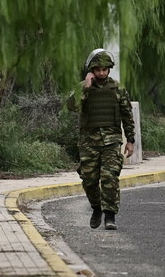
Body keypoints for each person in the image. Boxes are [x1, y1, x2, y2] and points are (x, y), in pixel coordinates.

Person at [67, 49, 135, 230]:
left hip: (111, 141)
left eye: (104, 69)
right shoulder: (83, 87)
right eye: (98, 70)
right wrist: (85, 87)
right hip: (88, 142)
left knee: (109, 177)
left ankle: (110, 216)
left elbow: (127, 115)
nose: (101, 73)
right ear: (92, 70)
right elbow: (72, 106)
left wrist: (130, 140)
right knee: (89, 180)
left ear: (109, 70)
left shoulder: (118, 89)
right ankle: (96, 208)